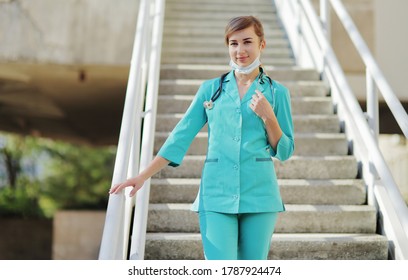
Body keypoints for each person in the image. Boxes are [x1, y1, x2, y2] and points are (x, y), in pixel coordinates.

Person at [109, 15, 294, 260]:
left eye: (247, 42)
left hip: (260, 194)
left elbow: (285, 150)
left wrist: (269, 117)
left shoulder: (277, 92)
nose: (240, 50)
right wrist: (143, 175)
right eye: (233, 43)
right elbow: (181, 135)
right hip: (215, 193)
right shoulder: (210, 89)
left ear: (262, 44)